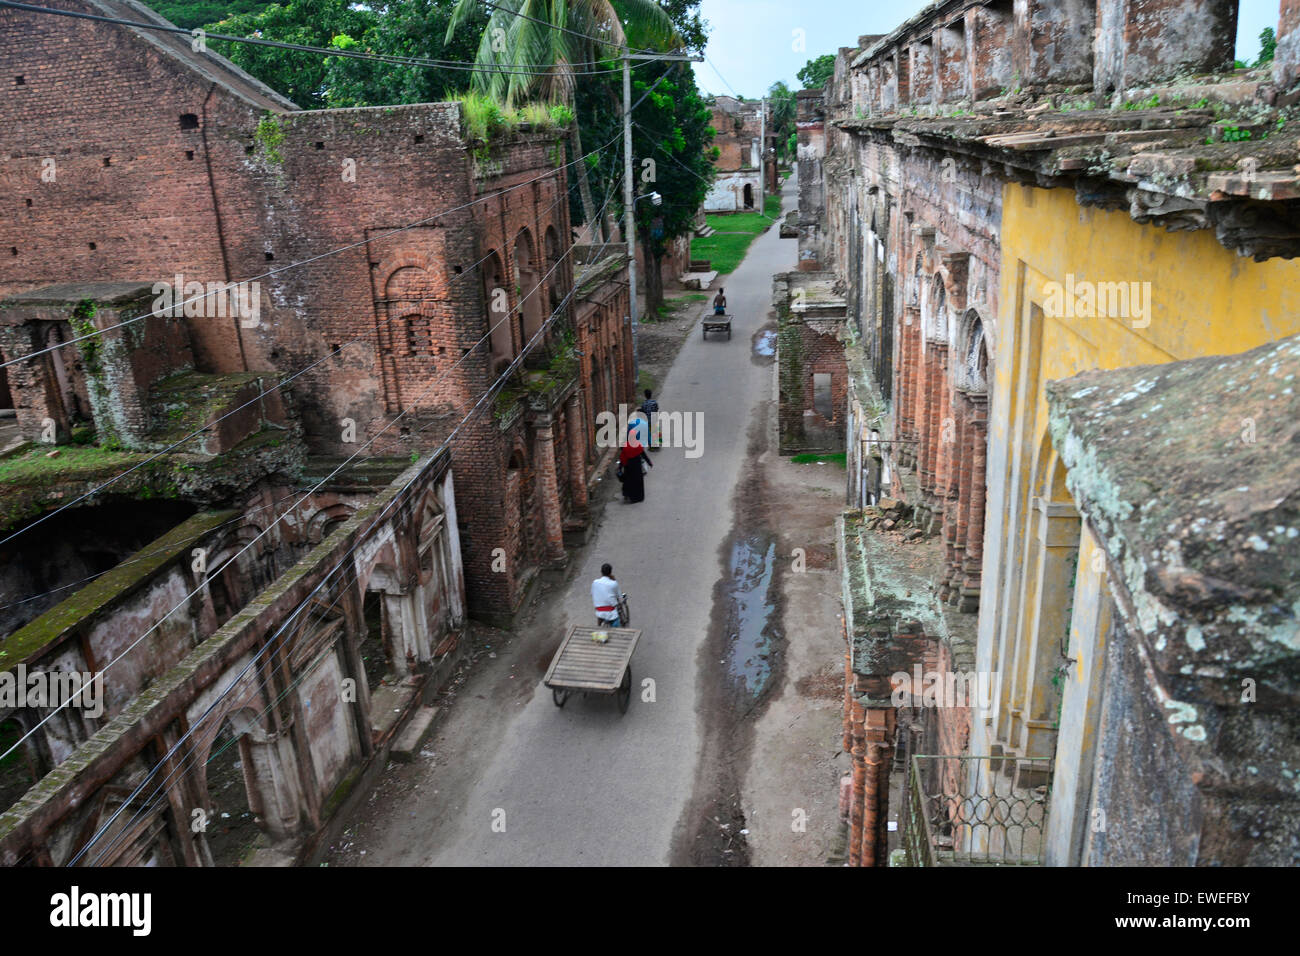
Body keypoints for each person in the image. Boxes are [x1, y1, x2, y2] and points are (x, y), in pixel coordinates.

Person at [618, 422, 653, 503]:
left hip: (629, 468)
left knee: (630, 482)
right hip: (637, 468)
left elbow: (623, 458)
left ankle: (630, 496)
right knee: (638, 483)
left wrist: (620, 468)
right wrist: (649, 463)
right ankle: (639, 498)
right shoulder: (638, 445)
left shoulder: (626, 446)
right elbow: (643, 455)